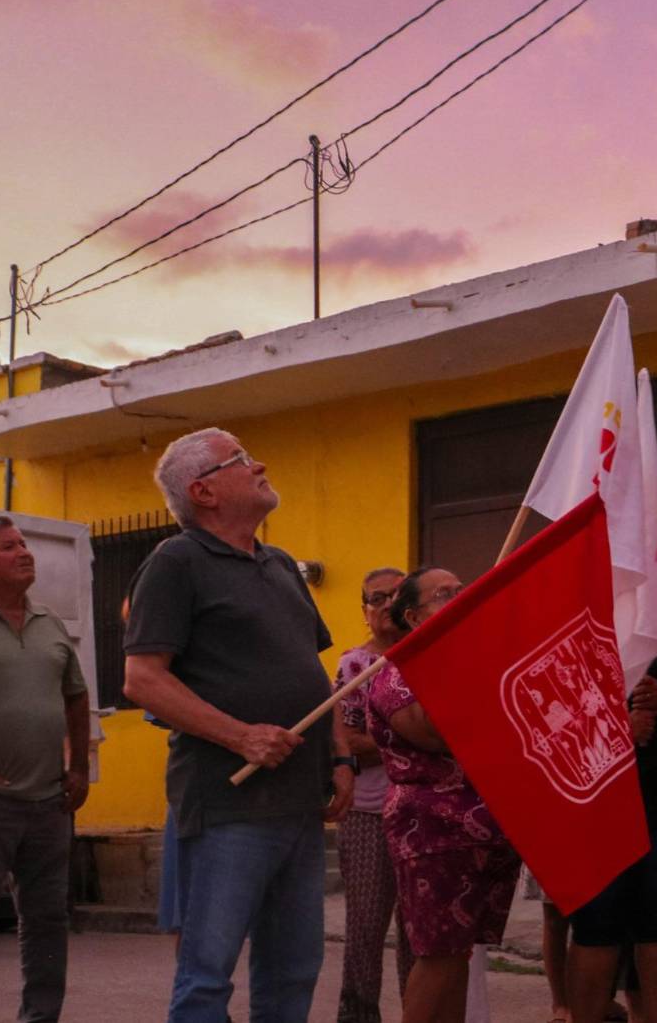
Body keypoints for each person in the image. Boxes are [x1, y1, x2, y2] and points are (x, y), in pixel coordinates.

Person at [123, 428, 354, 1023]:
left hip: (299, 803)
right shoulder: (176, 561)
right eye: (242, 459)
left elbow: (312, 672)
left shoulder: (279, 564)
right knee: (207, 975)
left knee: (294, 969)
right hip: (229, 807)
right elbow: (143, 680)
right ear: (203, 491)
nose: (260, 464)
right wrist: (241, 736)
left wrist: (340, 758)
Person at [0, 515, 91, 1023]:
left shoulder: (49, 622)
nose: (25, 552)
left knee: (48, 921)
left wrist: (79, 768)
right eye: (10, 547)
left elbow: (75, 695)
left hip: (49, 802)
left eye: (25, 544)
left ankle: (40, 1017)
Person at [366, 567, 520, 1023]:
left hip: (485, 829)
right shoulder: (397, 673)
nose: (459, 597)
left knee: (459, 957)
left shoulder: (477, 658)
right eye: (443, 595)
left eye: (460, 590)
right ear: (413, 616)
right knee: (438, 957)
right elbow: (436, 732)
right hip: (433, 832)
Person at [567, 631, 657, 1023]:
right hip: (596, 811)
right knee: (594, 932)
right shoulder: (572, 627)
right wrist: (617, 734)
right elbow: (544, 717)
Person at [335, 566, 416, 1023]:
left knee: (419, 932)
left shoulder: (431, 655)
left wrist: (382, 737)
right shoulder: (353, 667)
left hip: (426, 813)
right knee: (366, 928)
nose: (387, 604)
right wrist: (415, 738)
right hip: (368, 814)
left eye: (397, 595)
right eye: (377, 598)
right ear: (365, 611)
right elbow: (346, 740)